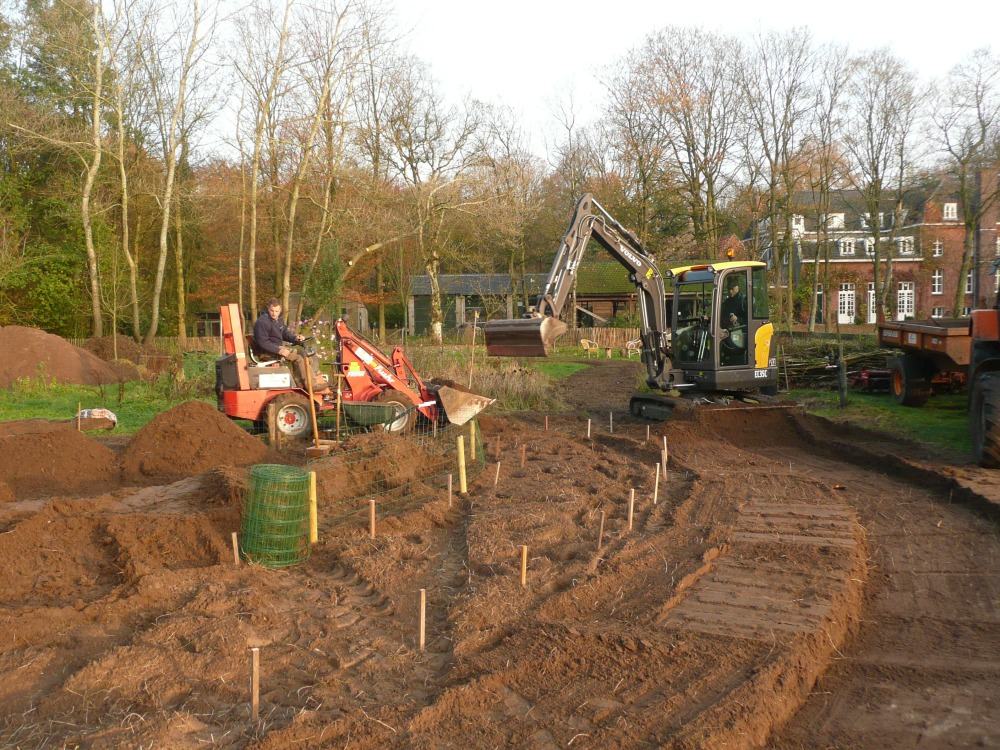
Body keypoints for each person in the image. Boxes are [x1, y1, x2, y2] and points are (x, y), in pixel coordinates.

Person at [253, 298, 327, 391]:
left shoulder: (278, 320)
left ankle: (301, 383)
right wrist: (279, 350)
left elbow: (285, 334)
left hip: (277, 348)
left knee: (304, 353)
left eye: (277, 311)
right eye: (272, 310)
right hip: (267, 352)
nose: (274, 313)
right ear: (268, 309)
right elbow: (263, 342)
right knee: (299, 358)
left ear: (280, 310)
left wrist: (296, 338)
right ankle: (311, 386)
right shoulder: (262, 322)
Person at [719, 277, 747, 365]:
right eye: (728, 289)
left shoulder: (744, 301)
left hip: (741, 334)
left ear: (737, 287)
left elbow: (750, 320)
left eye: (732, 289)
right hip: (727, 332)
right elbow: (720, 317)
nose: (730, 291)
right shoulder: (727, 303)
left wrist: (737, 319)